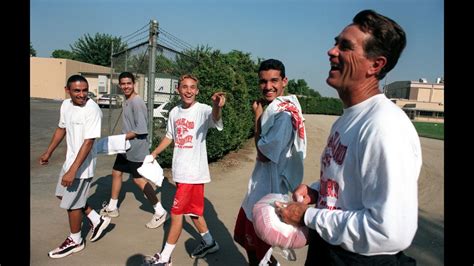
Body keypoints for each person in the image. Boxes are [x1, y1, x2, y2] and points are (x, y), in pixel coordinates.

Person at [275, 9, 422, 265]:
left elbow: (389, 232)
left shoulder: (384, 126)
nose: (332, 51)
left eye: (345, 46)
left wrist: (307, 217)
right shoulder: (347, 118)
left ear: (375, 65)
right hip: (330, 251)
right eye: (335, 43)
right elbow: (348, 183)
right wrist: (316, 191)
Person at [142, 74, 226, 265]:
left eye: (192, 87)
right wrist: (154, 154)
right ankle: (209, 242)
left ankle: (165, 258)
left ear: (197, 91)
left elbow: (215, 118)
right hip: (180, 172)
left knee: (177, 214)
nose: (188, 90)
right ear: (178, 89)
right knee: (194, 212)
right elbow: (170, 136)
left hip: (193, 173)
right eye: (185, 87)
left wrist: (217, 106)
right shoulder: (174, 112)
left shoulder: (204, 110)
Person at [233, 58, 307, 266]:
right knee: (248, 243)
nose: (268, 87)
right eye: (263, 81)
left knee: (258, 252)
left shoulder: (283, 116)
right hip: (259, 186)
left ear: (285, 81)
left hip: (268, 192)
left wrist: (257, 117)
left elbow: (264, 153)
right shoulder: (276, 110)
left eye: (274, 80)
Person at [39, 75, 111, 259]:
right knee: (62, 195)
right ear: (67, 90)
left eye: (85, 90)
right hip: (70, 161)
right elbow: (61, 128)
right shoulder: (65, 105)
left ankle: (76, 240)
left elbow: (88, 142)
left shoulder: (92, 110)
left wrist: (73, 170)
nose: (82, 94)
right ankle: (96, 218)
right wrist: (49, 152)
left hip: (82, 165)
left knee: (72, 206)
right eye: (77, 90)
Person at [100, 72, 168, 229]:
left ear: (134, 83)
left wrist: (120, 139)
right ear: (119, 85)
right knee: (116, 172)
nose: (125, 86)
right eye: (123, 84)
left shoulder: (137, 102)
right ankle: (112, 207)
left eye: (128, 83)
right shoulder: (127, 100)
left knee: (138, 180)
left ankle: (160, 211)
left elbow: (141, 129)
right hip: (125, 147)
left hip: (135, 148)